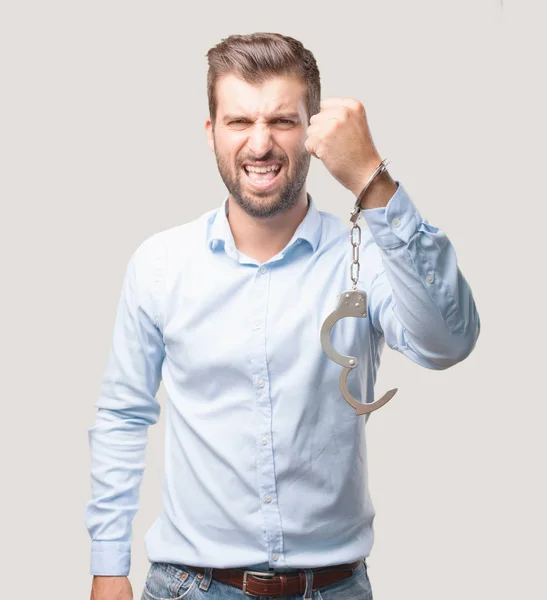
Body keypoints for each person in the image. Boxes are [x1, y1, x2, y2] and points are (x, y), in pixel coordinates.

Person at [85, 32, 481, 600]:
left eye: (283, 122)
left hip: (335, 588)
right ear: (212, 133)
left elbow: (449, 342)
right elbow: (123, 416)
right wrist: (107, 565)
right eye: (239, 122)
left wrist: (373, 178)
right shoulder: (159, 264)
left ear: (317, 133)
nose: (260, 144)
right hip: (188, 587)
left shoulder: (369, 255)